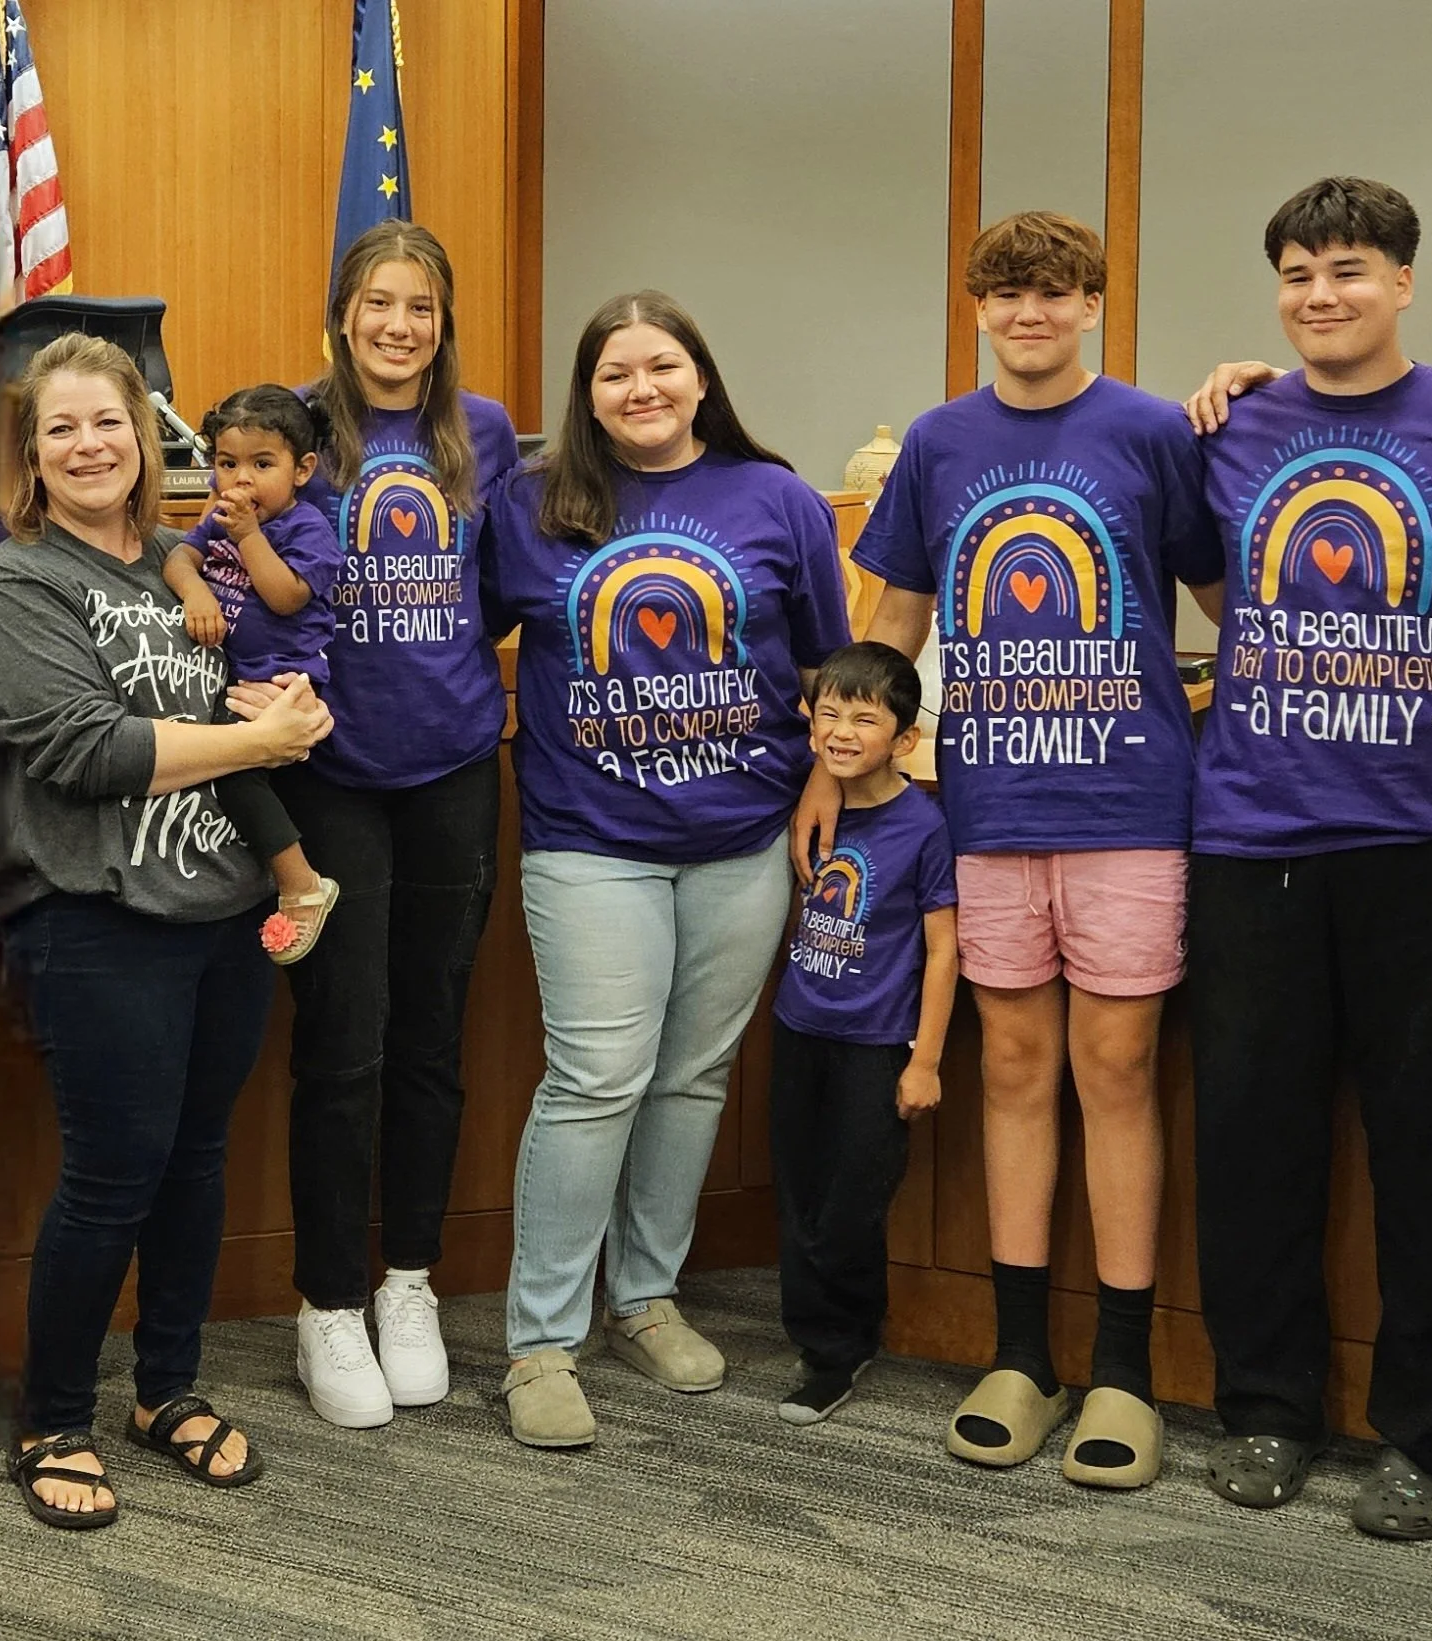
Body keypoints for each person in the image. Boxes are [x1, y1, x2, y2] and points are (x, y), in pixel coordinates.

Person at [808, 211, 1223, 1489]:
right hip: (986, 815)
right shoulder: (938, 443)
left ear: (1092, 302)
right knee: (1015, 1074)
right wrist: (850, 766)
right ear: (977, 308)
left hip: (1128, 813)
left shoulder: (1153, 430)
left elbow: (1229, 601)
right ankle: (1023, 1355)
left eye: (1053, 293)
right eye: (1004, 295)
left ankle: (1124, 1373)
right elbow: (888, 634)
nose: (1028, 314)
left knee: (1117, 1070)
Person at [1171, 178, 1432, 1538]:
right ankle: (1263, 1408)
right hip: (1251, 831)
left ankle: (1426, 1437)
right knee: (1250, 1141)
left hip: (1426, 842)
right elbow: (1219, 589)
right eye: (1299, 273)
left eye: (1350, 270)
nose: (1321, 295)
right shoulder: (1232, 422)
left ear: (1404, 283)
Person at [0, 333, 331, 1527]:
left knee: (196, 1161)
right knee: (113, 1174)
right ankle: (53, 1418)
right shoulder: (8, 588)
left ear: (145, 437)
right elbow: (90, 752)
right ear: (30, 455)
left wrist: (282, 708)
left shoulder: (188, 561)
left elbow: (234, 693)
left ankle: (165, 1391)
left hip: (222, 907)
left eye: (108, 422)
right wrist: (260, 745)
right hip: (92, 914)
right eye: (60, 428)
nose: (88, 445)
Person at [484, 290, 850, 1447]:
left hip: (743, 841)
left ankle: (643, 1296)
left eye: (663, 366)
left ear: (701, 378)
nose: (640, 389)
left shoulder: (778, 497)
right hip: (590, 841)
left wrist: (829, 779)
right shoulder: (532, 506)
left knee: (691, 1077)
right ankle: (540, 1340)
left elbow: (828, 668)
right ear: (585, 396)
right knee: (596, 1075)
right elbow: (457, 639)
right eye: (613, 373)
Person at [266, 221, 522, 1430]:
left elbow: (511, 587)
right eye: (378, 302)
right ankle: (326, 1302)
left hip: (455, 769)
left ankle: (407, 1284)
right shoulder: (298, 434)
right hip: (330, 775)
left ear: (443, 318)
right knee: (344, 1042)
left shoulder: (486, 435)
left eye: (420, 304)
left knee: (430, 1037)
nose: (399, 325)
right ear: (343, 312)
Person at [771, 641, 958, 1426]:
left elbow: (945, 947)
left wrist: (926, 1061)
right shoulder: (811, 806)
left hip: (877, 1043)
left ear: (904, 739)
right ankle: (814, 1331)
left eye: (864, 717)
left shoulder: (922, 825)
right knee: (802, 1192)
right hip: (797, 1026)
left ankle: (840, 1347)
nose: (841, 730)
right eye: (829, 712)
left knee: (853, 1199)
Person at [163, 385, 344, 964]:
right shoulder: (220, 516)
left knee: (234, 774)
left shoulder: (307, 529)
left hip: (282, 687)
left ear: (302, 469)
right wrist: (196, 592)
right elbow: (178, 556)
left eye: (262, 464)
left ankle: (302, 885)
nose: (241, 480)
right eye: (226, 463)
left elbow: (287, 596)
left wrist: (246, 536)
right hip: (231, 677)